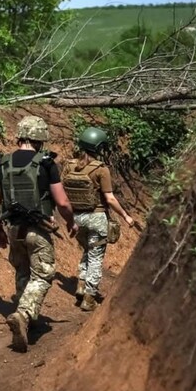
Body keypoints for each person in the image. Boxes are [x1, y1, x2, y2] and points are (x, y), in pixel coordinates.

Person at [0, 116, 78, 352]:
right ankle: (24, 314)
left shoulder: (1, 164)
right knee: (42, 275)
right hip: (39, 230)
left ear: (20, 136)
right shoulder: (46, 164)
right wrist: (71, 221)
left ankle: (27, 320)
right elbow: (62, 201)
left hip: (14, 229)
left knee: (22, 273)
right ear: (40, 139)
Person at [63, 127, 135, 311]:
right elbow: (110, 198)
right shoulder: (101, 170)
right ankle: (89, 297)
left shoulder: (69, 166)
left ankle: (81, 284)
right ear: (99, 147)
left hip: (77, 219)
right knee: (95, 257)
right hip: (96, 218)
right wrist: (126, 216)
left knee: (87, 250)